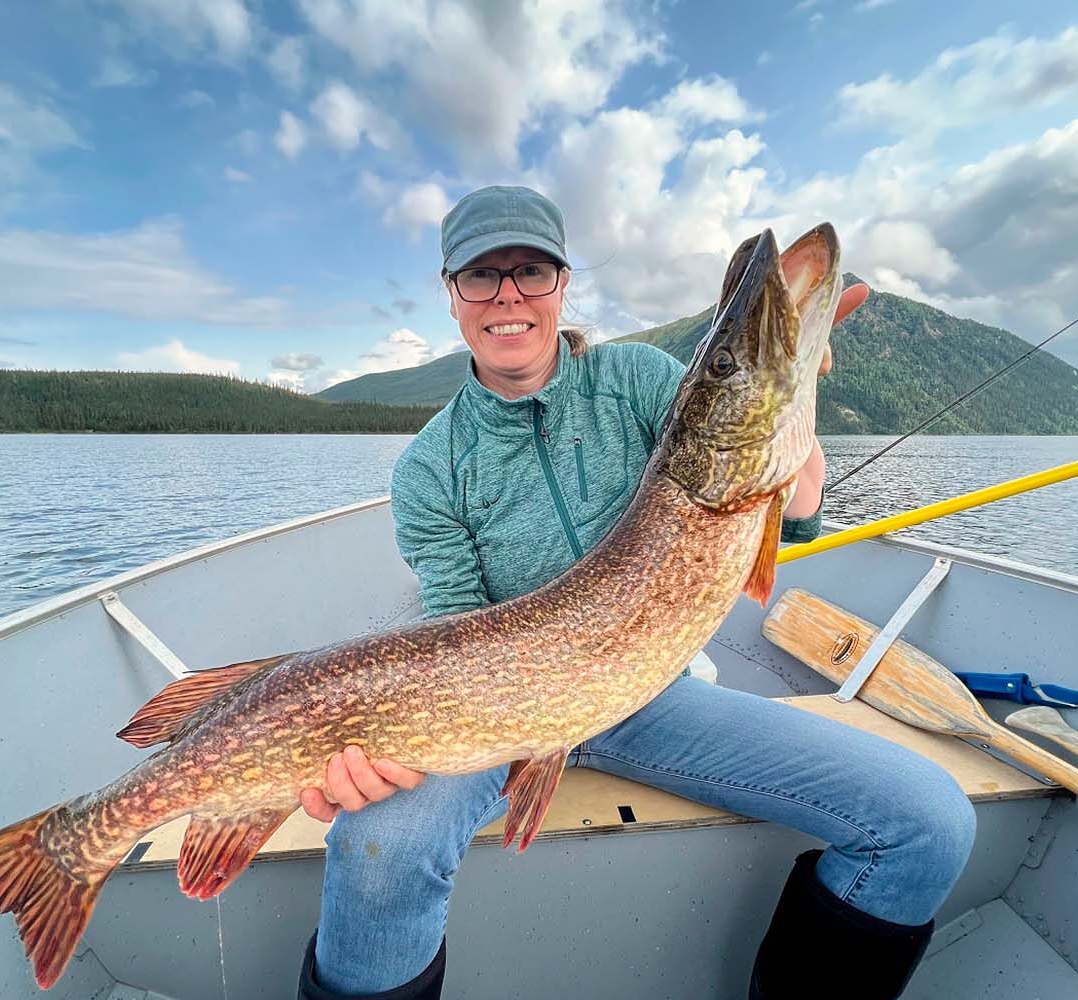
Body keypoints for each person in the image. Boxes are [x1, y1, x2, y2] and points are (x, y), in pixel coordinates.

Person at [294, 186, 976, 1000]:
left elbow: (788, 508)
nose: (508, 295)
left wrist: (790, 389)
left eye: (530, 271)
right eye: (482, 276)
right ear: (452, 295)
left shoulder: (639, 379)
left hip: (651, 693)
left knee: (927, 822)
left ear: (560, 283)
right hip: (491, 713)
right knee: (378, 848)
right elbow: (460, 626)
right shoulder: (428, 469)